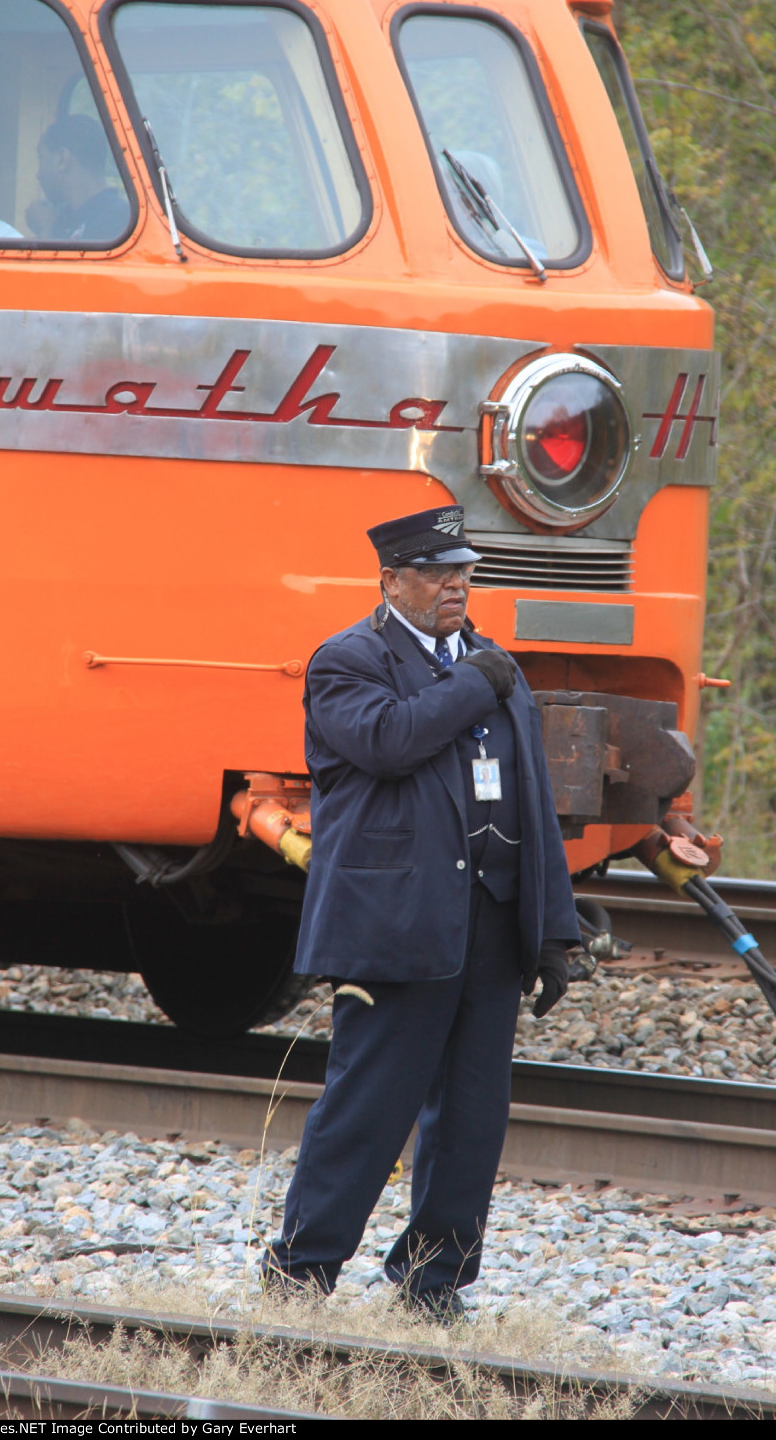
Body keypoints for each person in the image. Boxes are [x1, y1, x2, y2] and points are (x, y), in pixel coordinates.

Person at [262, 504, 586, 1323]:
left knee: (472, 1123)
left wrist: (553, 931)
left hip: (488, 926)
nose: (457, 586)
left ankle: (431, 1285)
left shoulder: (490, 661)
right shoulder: (348, 662)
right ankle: (301, 1276)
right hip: (395, 925)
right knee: (368, 1108)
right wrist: (474, 683)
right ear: (392, 580)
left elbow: (533, 803)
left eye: (465, 572)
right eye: (440, 574)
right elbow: (390, 742)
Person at [34, 114, 129, 241]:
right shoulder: (65, 217)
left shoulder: (118, 222)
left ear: (62, 159)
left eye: (42, 159)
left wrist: (45, 229)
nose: (38, 174)